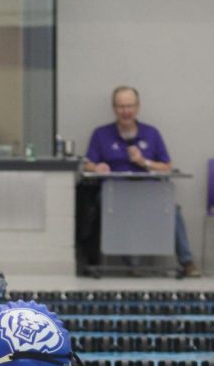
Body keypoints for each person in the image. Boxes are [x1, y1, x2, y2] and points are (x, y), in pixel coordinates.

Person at [82, 85, 199, 278]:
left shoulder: (151, 133)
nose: (126, 111)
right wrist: (97, 168)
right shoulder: (100, 134)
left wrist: (143, 161)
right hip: (116, 192)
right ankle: (132, 264)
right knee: (104, 202)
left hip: (148, 190)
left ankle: (187, 262)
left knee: (173, 209)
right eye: (121, 106)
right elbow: (87, 164)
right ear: (114, 108)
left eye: (129, 106)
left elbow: (167, 166)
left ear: (137, 107)